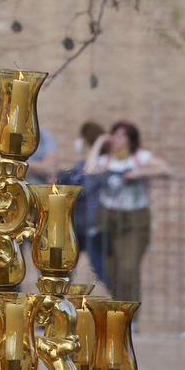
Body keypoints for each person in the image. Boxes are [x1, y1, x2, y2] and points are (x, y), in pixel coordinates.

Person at [85, 121, 169, 302]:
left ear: (131, 139)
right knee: (111, 268)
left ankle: (130, 312)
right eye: (115, 134)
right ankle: (118, 309)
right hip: (108, 217)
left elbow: (164, 168)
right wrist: (100, 141)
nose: (117, 139)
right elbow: (89, 169)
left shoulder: (140, 158)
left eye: (122, 135)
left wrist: (140, 173)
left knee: (128, 269)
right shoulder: (106, 160)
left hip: (134, 218)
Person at [59, 121, 108, 288]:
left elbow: (86, 185)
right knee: (65, 266)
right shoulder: (82, 164)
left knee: (100, 267)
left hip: (93, 224)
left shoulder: (102, 163)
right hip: (78, 224)